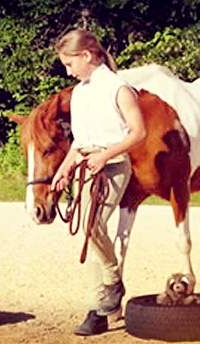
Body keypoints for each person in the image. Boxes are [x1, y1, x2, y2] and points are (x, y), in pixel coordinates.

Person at [51, 29, 147, 336]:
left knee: (93, 227)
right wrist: (64, 169)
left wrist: (105, 156)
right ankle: (99, 307)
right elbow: (80, 140)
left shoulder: (119, 89)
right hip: (86, 166)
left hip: (114, 167)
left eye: (69, 64)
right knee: (88, 234)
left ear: (87, 56)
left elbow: (137, 133)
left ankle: (111, 280)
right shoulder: (80, 92)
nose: (68, 71)